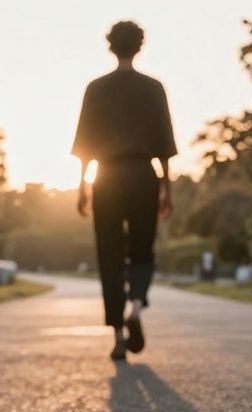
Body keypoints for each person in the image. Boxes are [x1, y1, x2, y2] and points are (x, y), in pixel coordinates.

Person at [72, 20, 177, 361]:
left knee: (110, 254)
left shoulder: (96, 88)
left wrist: (82, 188)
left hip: (106, 176)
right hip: (142, 174)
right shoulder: (154, 88)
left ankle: (117, 333)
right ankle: (135, 306)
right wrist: (167, 190)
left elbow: (85, 144)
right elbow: (164, 146)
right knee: (142, 249)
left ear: (110, 46)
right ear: (140, 46)